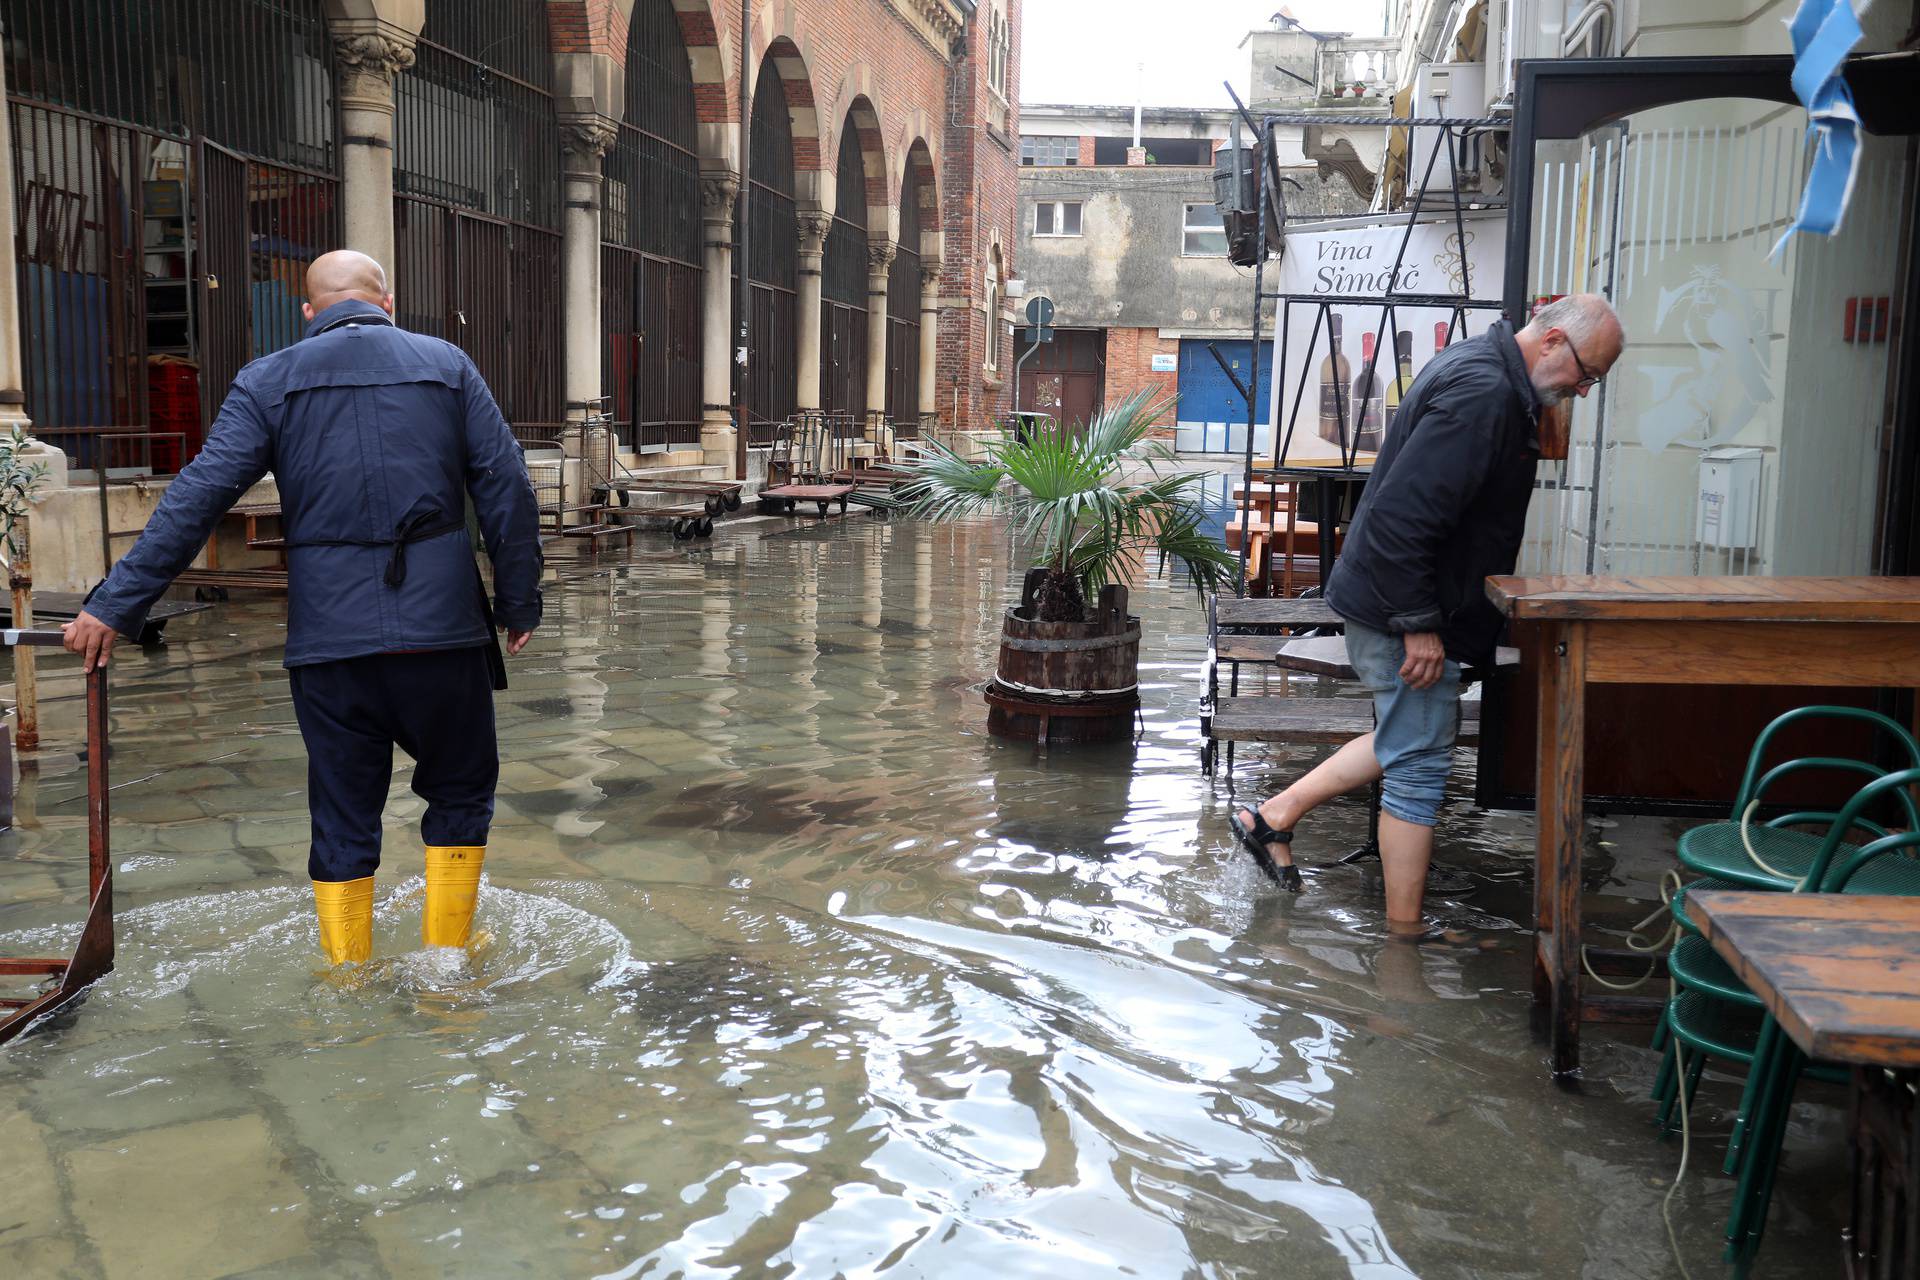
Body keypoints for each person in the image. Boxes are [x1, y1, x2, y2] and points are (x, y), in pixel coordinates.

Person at [62, 251, 544, 966]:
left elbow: (198, 496)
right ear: (388, 301)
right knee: (461, 792)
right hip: (442, 631)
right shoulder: (445, 364)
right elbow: (507, 485)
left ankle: (348, 980)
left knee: (343, 812)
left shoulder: (269, 379)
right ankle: (447, 968)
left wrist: (114, 605)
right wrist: (517, 599)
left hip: (328, 639)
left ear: (309, 312)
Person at [1231, 294, 1624, 934]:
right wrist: (1419, 624)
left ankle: (1272, 818)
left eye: (1594, 380)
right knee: (1419, 770)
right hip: (1405, 611)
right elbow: (1401, 518)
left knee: (1410, 741)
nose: (1583, 388)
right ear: (1552, 340)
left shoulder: (1482, 369)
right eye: (1587, 372)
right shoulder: (1485, 396)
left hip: (1396, 600)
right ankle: (1403, 946)